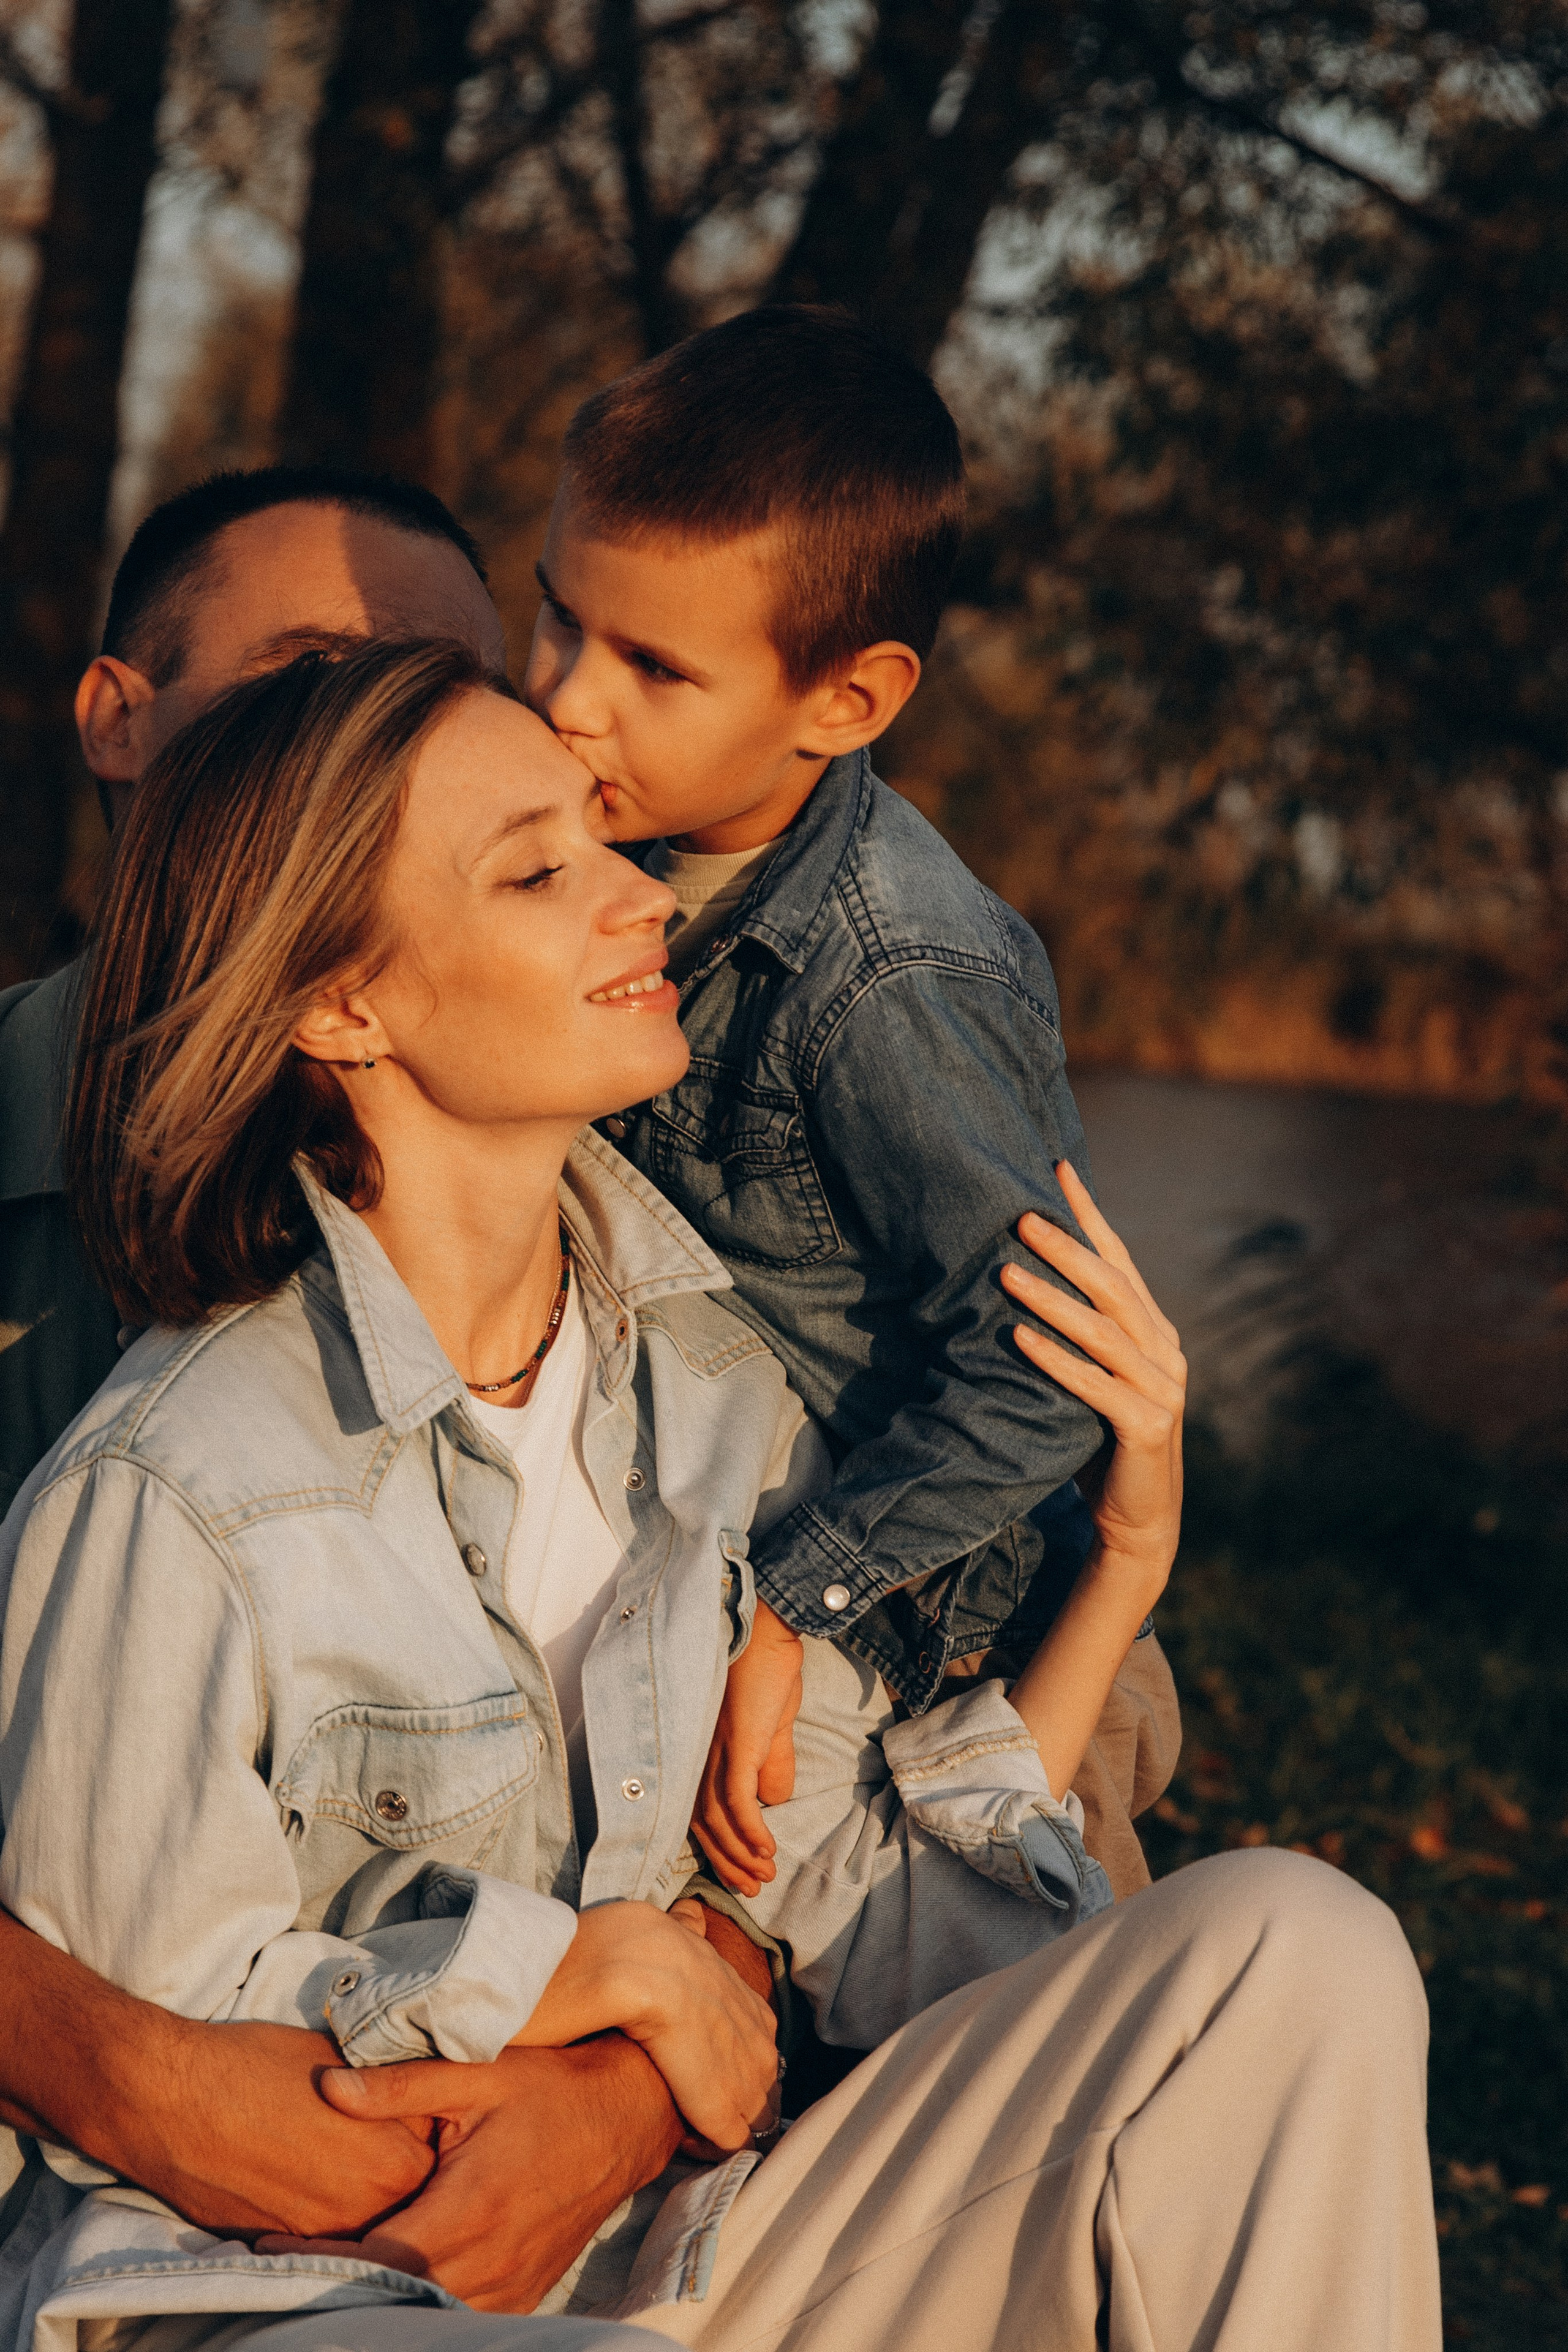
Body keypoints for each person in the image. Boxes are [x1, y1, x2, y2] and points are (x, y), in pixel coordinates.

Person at [0, 637, 1440, 2351]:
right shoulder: (171, 1488)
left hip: (676, 2253)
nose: (637, 900)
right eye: (539, 872)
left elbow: (835, 1895)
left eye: (608, 843)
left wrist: (1128, 1557)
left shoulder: (713, 1389)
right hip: (283, 2301)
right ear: (344, 1005)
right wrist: (568, 1966)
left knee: (1295, 1948)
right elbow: (146, 2053)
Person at [523, 304, 1177, 1902]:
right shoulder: (625, 835)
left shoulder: (891, 982)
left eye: (652, 667)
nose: (566, 700)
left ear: (851, 700)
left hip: (945, 1641)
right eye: (556, 619)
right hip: (724, 1536)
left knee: (1051, 2027)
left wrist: (789, 1603)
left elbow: (1045, 1381)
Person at [0, 463, 508, 1517]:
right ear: (116, 722)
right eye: (316, 676)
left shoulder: (603, 1170)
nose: (392, 745)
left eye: (454, 701)